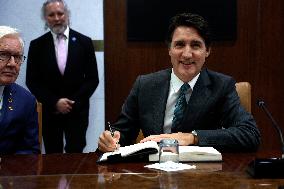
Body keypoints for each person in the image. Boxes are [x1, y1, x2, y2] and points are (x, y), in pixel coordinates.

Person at [98, 13, 261, 153]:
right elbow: (122, 132)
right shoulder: (145, 85)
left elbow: (250, 134)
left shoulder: (221, 86)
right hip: (152, 174)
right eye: (180, 44)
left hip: (202, 176)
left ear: (208, 51)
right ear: (169, 49)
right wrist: (111, 139)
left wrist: (192, 137)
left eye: (195, 45)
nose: (187, 54)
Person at [26, 0, 99, 153]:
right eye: (51, 14)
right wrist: (55, 102)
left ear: (67, 15)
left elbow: (92, 78)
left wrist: (72, 103)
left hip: (78, 111)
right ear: (45, 18)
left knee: (76, 154)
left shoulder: (84, 42)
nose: (57, 18)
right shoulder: (37, 45)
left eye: (60, 13)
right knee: (53, 156)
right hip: (50, 112)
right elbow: (32, 81)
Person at [0, 26, 40, 154]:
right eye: (3, 55)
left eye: (17, 57)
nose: (12, 63)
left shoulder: (25, 100)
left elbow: (30, 152)